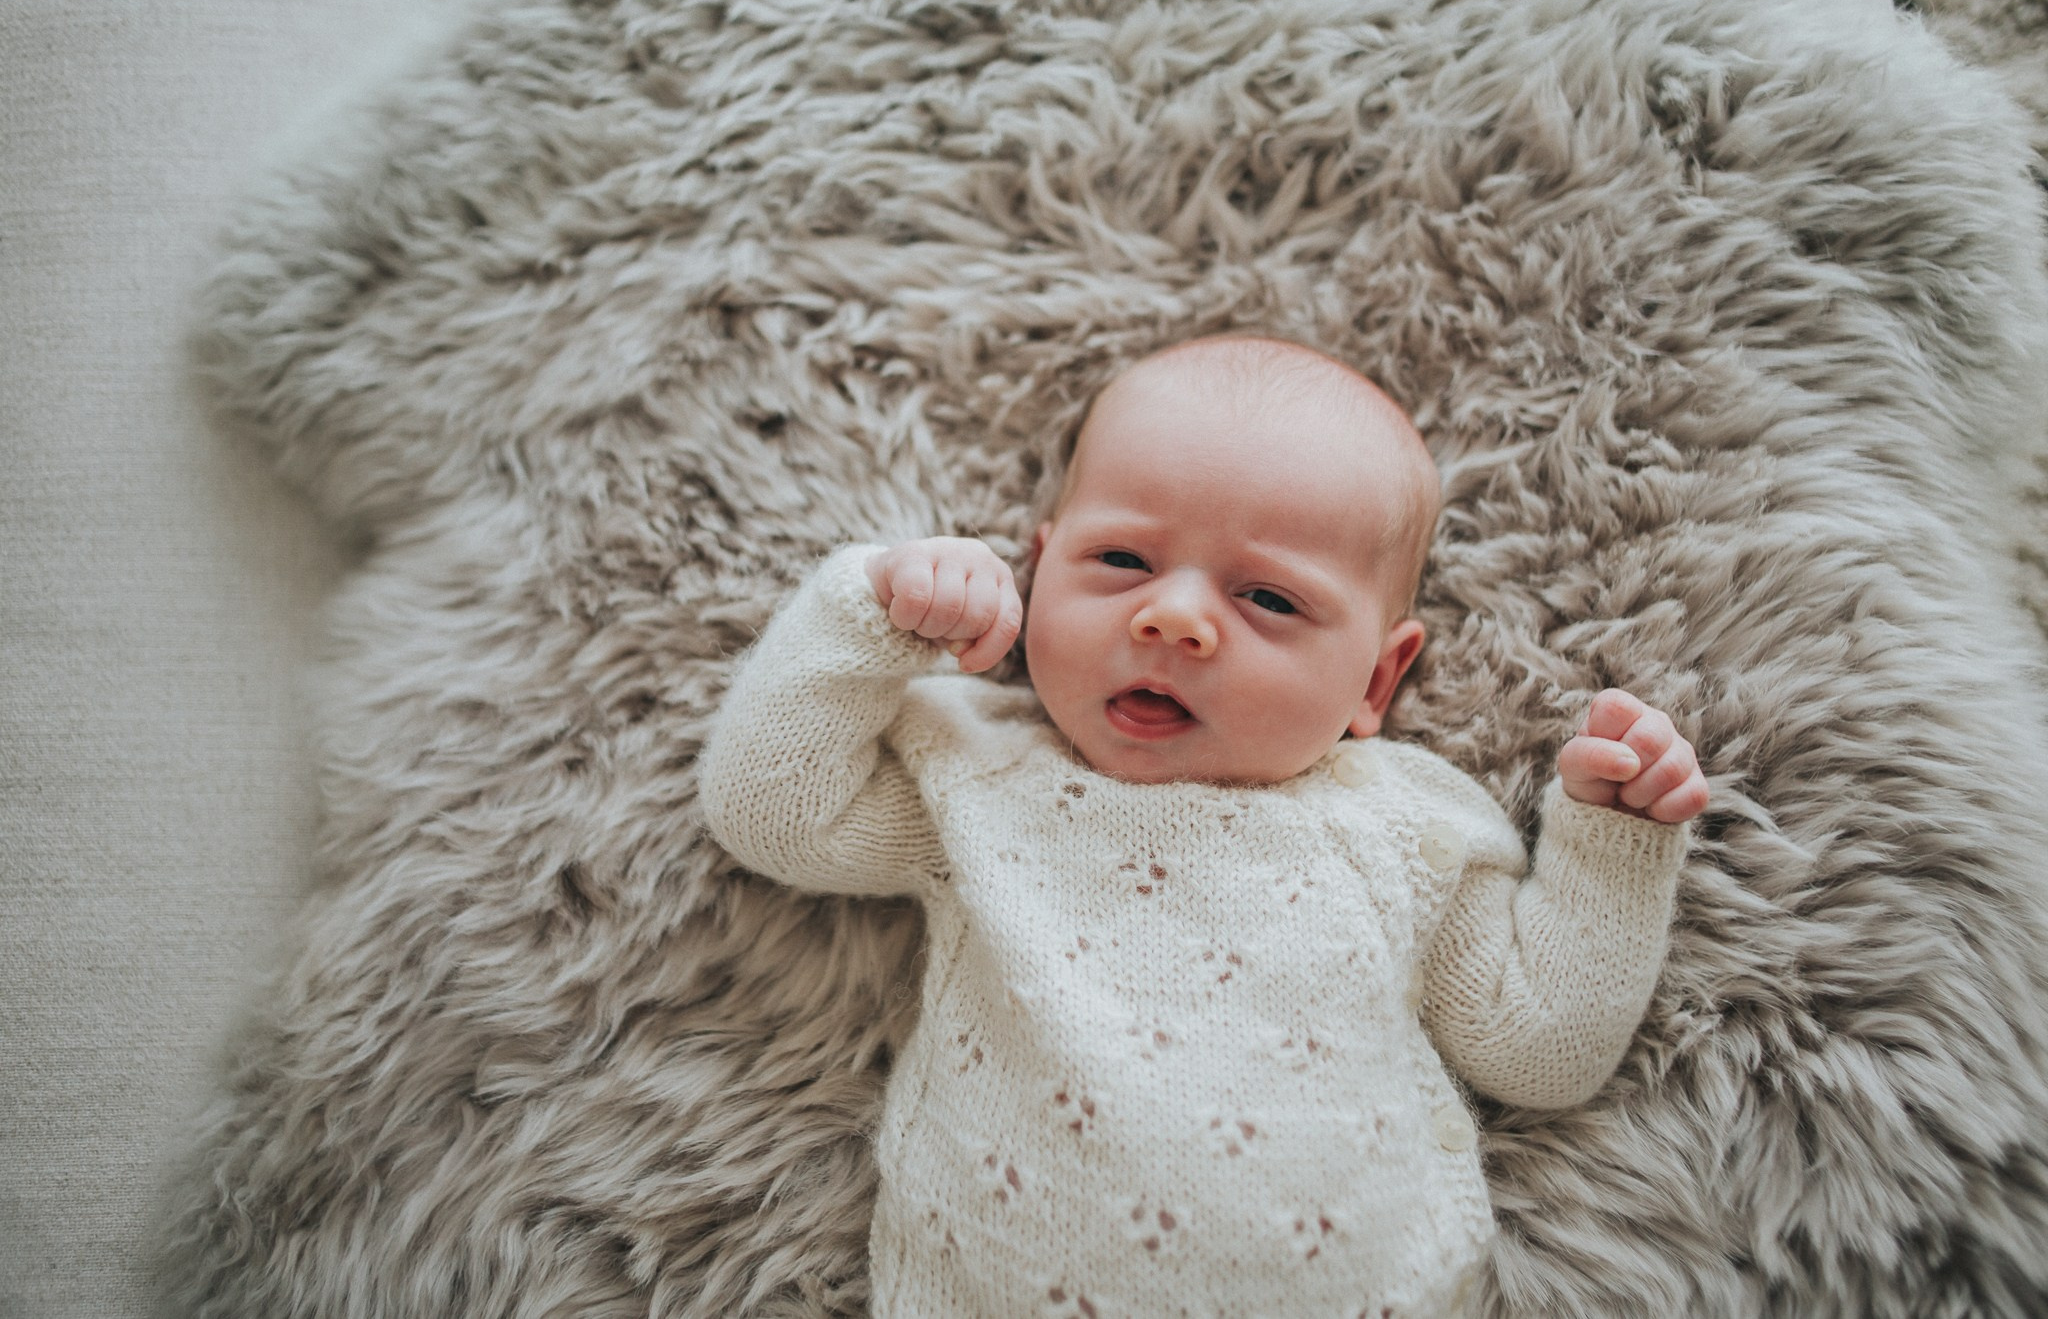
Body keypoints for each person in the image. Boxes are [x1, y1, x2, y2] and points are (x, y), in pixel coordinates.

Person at [697, 334, 1708, 1318]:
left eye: (1266, 597)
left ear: (1375, 677)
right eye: (1122, 559)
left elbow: (1536, 1048)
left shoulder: (1400, 824)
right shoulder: (979, 772)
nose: (1172, 618)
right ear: (1037, 570)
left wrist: (1611, 846)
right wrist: (867, 618)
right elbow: (774, 816)